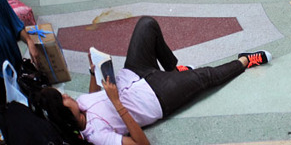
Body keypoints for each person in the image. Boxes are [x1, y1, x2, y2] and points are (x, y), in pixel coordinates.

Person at [39, 16, 269, 145]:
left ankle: (173, 71)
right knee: (205, 76)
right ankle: (246, 61)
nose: (67, 95)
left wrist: (94, 72)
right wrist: (117, 103)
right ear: (65, 114)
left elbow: (92, 96)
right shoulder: (97, 135)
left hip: (134, 72)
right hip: (156, 97)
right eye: (64, 99)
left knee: (147, 24)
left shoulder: (80, 104)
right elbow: (142, 144)